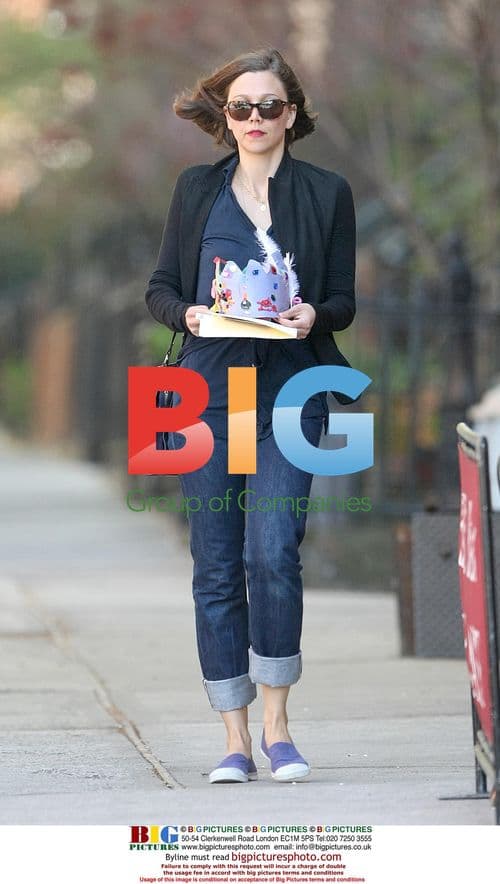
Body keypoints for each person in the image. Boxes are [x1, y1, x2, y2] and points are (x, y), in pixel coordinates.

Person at [145, 47, 356, 784]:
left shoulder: (328, 194)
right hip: (207, 396)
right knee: (215, 564)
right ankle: (232, 738)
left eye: (270, 106)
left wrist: (311, 313)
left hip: (293, 391)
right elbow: (161, 289)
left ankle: (278, 728)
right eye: (242, 107)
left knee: (273, 554)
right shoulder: (195, 190)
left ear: (291, 115)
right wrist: (193, 314)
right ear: (226, 118)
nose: (256, 118)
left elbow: (343, 300)